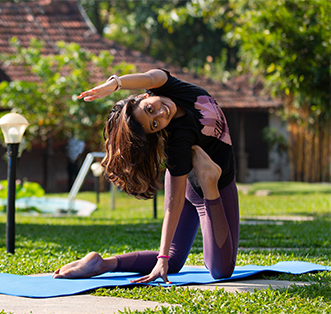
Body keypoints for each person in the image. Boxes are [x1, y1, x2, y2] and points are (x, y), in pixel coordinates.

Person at [52, 69, 239, 284]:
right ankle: (209, 181)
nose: (161, 114)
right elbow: (174, 202)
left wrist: (115, 83)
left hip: (197, 179)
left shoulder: (172, 88)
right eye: (155, 124)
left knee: (174, 260)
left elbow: (149, 77)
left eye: (150, 109)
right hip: (207, 185)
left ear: (144, 96)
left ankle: (102, 263)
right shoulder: (177, 143)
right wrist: (161, 257)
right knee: (222, 271)